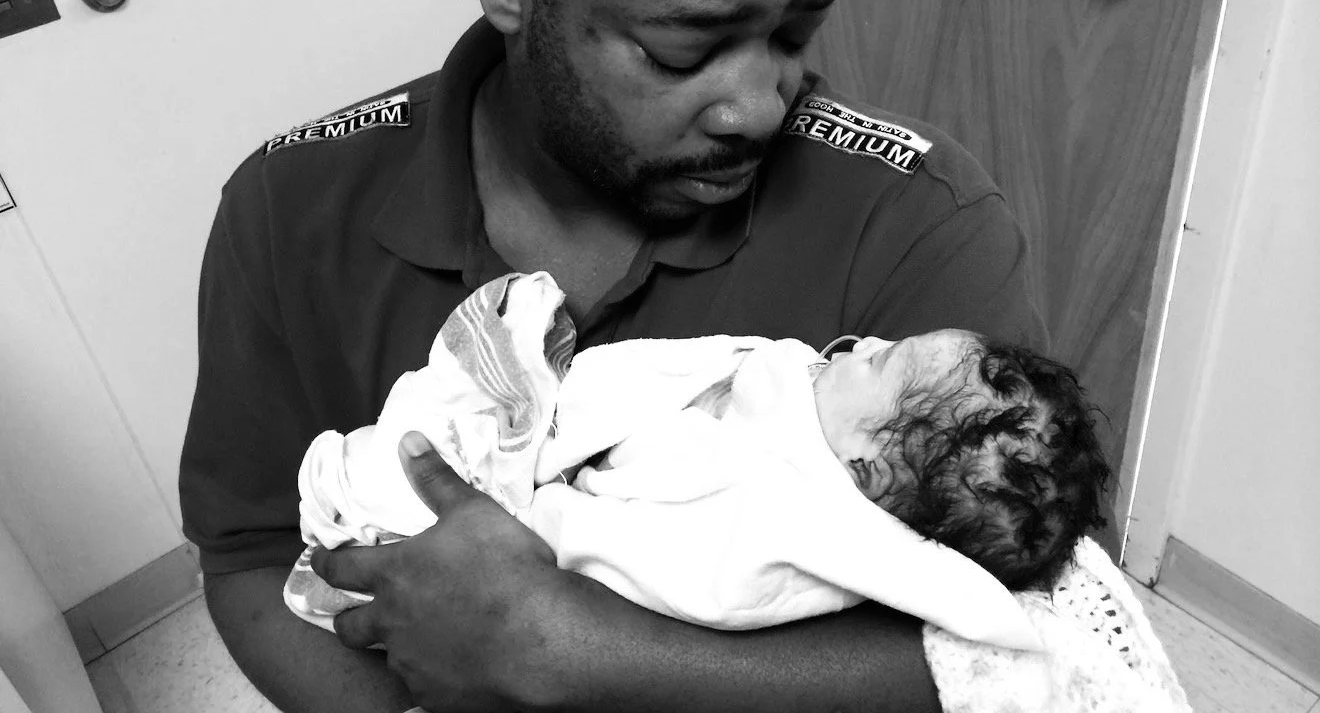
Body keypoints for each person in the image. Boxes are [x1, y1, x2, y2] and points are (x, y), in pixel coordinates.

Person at [178, 0, 1049, 711]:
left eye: (795, 34)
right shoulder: (290, 208)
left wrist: (573, 651)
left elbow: (1040, 647)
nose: (760, 106)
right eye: (687, 49)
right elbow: (251, 550)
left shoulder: (916, 221)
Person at [285, 272, 1107, 647]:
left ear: (861, 471)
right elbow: (716, 374)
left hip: (507, 514)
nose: (868, 342)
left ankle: (368, 503)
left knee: (399, 482)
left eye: (879, 365)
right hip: (562, 447)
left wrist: (517, 507)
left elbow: (602, 552)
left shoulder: (773, 540)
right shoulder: (802, 401)